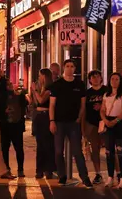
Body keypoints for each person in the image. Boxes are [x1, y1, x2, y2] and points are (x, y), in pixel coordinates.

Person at [49, 59, 93, 188]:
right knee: (58, 151)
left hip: (74, 123)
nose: (69, 68)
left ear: (75, 68)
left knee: (77, 152)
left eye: (72, 66)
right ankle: (62, 176)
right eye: (67, 66)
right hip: (59, 122)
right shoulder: (57, 84)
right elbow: (52, 105)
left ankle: (84, 177)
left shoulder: (79, 84)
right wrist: (52, 121)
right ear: (63, 68)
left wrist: (79, 117)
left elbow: (83, 104)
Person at [100, 72, 122, 189]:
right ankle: (110, 177)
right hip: (108, 122)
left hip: (120, 123)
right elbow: (102, 109)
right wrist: (106, 120)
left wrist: (115, 121)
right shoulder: (106, 94)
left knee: (121, 151)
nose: (114, 81)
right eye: (112, 79)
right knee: (108, 151)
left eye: (117, 79)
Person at [0, 80, 28, 178]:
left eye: (11, 83)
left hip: (16, 124)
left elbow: (25, 105)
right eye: (8, 84)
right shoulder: (1, 97)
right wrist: (3, 111)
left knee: (18, 148)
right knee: (5, 148)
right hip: (5, 125)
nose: (11, 85)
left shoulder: (19, 96)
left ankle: (20, 169)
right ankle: (7, 169)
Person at [82, 70, 107, 185]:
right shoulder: (87, 93)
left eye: (97, 76)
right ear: (90, 80)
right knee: (95, 150)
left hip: (105, 123)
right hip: (91, 124)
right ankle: (98, 173)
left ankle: (117, 173)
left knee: (110, 149)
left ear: (101, 78)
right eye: (93, 77)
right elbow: (83, 110)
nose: (96, 79)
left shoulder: (106, 91)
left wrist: (102, 106)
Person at [31, 68, 56, 179]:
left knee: (48, 144)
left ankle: (48, 169)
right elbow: (36, 103)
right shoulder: (41, 88)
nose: (39, 78)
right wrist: (32, 92)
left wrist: (35, 91)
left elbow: (41, 100)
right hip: (39, 116)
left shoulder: (50, 88)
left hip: (46, 116)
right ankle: (39, 169)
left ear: (45, 76)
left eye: (40, 75)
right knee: (40, 144)